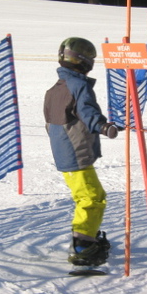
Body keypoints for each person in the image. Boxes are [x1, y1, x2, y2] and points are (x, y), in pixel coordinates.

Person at [43, 37, 119, 267]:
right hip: (74, 152)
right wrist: (103, 126)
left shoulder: (55, 88)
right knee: (93, 198)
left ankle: (85, 237)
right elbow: (86, 111)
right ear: (84, 60)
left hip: (64, 150)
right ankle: (82, 246)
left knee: (84, 196)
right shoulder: (79, 85)